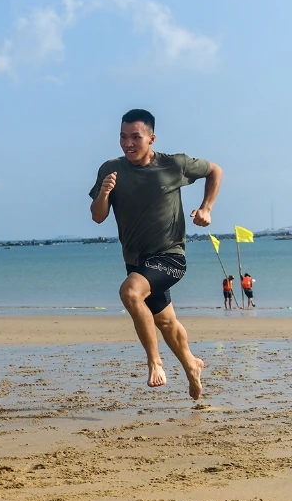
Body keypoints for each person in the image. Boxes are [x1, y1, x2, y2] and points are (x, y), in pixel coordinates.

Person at [89, 108, 221, 400]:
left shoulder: (174, 165)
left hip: (170, 256)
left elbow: (215, 170)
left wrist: (206, 208)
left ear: (151, 138)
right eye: (123, 137)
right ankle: (192, 365)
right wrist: (104, 193)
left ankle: (155, 362)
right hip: (137, 261)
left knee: (131, 294)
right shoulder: (111, 169)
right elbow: (98, 217)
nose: (128, 143)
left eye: (135, 137)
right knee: (164, 321)